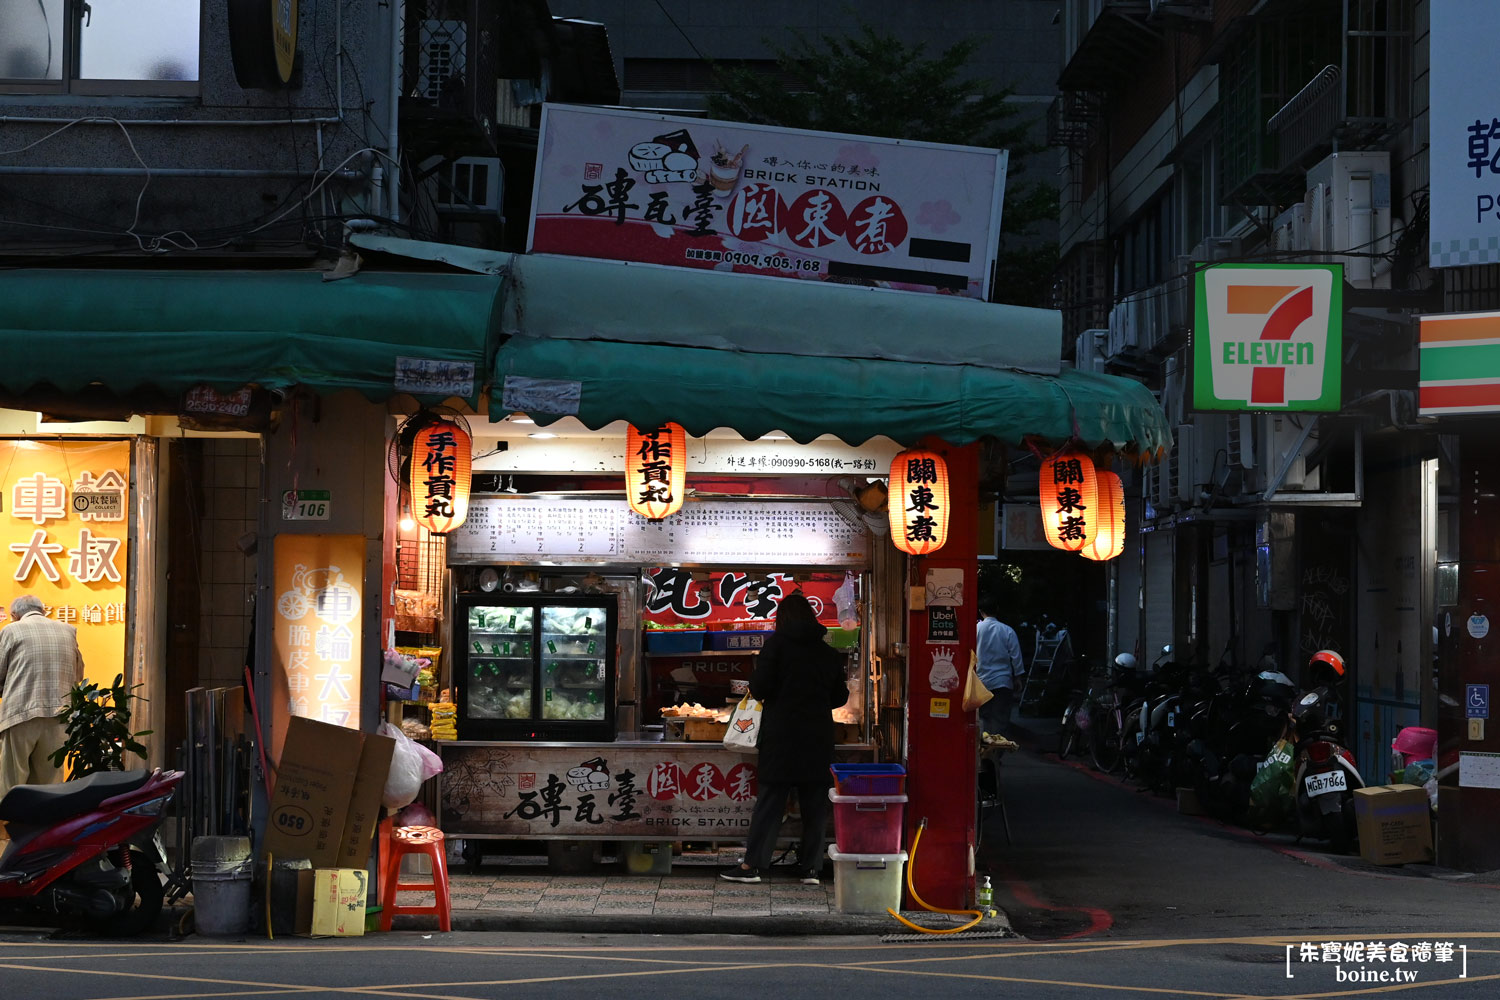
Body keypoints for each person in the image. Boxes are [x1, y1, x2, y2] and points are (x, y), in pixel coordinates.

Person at [721, 592, 850, 885]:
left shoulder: (776, 647)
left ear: (782, 619)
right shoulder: (826, 653)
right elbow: (840, 696)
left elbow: (759, 687)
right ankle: (811, 869)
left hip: (781, 736)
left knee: (770, 803)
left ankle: (752, 866)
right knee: (815, 806)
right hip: (817, 737)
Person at [0, 594, 86, 804]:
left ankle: (7, 835)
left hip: (20, 713)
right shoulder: (68, 630)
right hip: (59, 716)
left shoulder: (11, 630)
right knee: (50, 785)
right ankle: (43, 834)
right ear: (43, 611)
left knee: (11, 783)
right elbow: (79, 673)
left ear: (14, 615)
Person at [976, 604, 1024, 737]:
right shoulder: (1007, 630)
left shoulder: (975, 629)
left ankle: (981, 751)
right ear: (997, 610)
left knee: (981, 719)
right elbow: (1016, 656)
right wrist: (1018, 677)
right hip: (1002, 681)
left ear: (981, 612)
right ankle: (995, 753)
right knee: (1000, 720)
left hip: (980, 681)